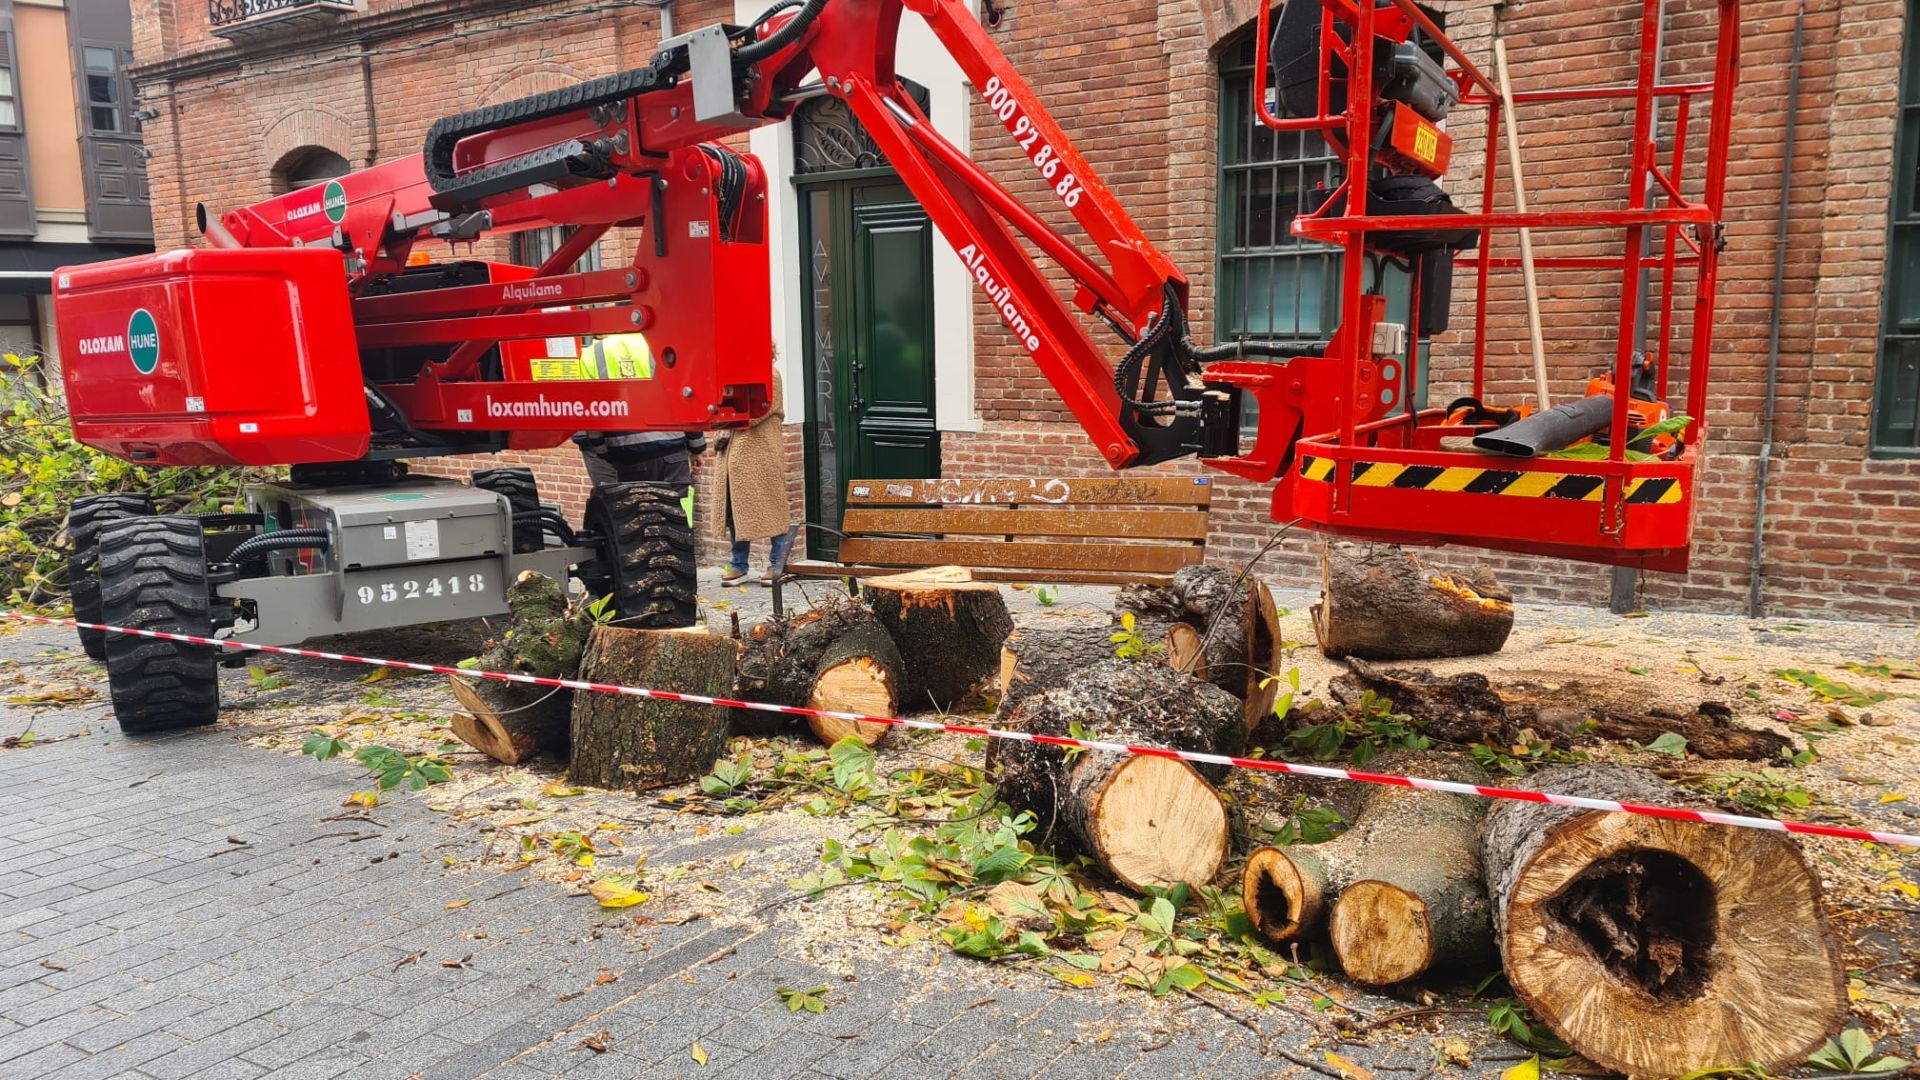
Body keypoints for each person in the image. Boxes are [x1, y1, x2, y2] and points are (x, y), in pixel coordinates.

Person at [569, 332, 706, 489]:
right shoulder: (663, 343)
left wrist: (606, 455)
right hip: (673, 451)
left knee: (635, 508)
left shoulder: (592, 354)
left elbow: (593, 414)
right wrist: (697, 448)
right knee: (675, 507)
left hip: (630, 456)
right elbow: (687, 400)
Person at [713, 368, 792, 585]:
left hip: (761, 452)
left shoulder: (771, 375)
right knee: (734, 510)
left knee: (772, 506)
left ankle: (778, 564)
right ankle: (739, 564)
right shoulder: (735, 377)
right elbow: (722, 409)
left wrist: (728, 418)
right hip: (732, 456)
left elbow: (758, 412)